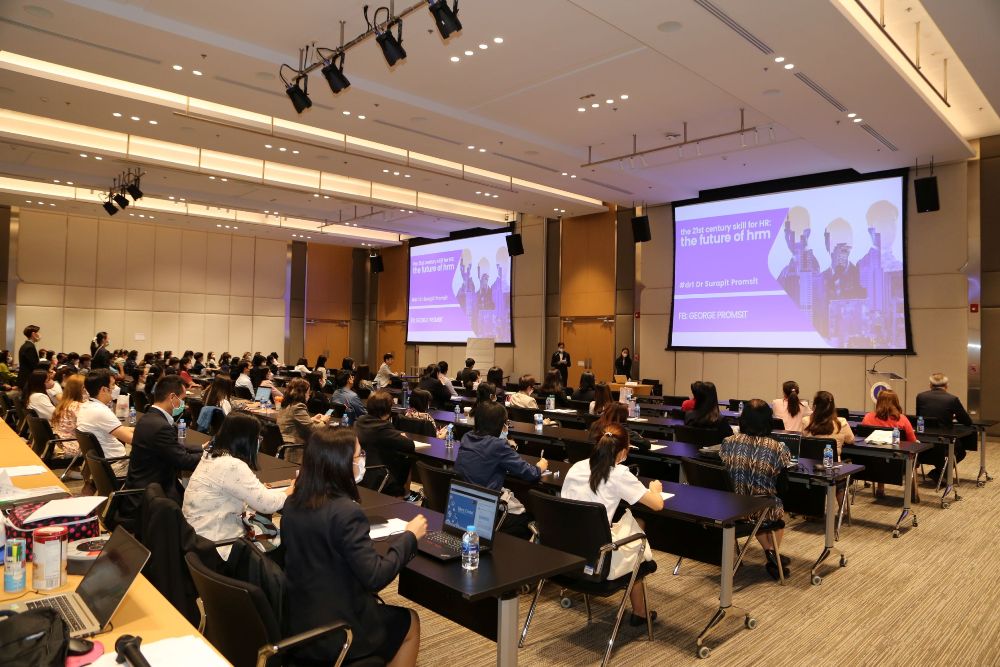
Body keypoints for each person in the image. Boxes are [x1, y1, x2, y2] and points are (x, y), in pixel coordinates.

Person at [282, 428, 424, 666]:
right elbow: (375, 577)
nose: (363, 460)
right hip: (337, 629)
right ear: (340, 464)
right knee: (410, 620)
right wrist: (410, 537)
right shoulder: (346, 511)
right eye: (359, 455)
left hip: (297, 619)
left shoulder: (293, 500)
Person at [561, 423, 662, 625]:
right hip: (600, 558)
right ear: (623, 452)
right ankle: (640, 613)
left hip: (567, 552)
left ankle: (640, 611)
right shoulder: (619, 474)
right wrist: (656, 490)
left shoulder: (577, 467)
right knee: (638, 535)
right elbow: (657, 505)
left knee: (632, 527)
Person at [183, 412, 292, 559]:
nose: (259, 443)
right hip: (218, 544)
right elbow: (267, 505)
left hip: (199, 536)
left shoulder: (211, 455)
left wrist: (257, 490)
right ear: (245, 440)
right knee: (281, 540)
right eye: (258, 438)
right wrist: (291, 490)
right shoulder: (232, 466)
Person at [719, 399, 791, 580]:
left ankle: (770, 553)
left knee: (760, 507)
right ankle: (772, 554)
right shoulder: (778, 447)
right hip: (761, 509)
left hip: (732, 507)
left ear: (743, 419)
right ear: (768, 421)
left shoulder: (728, 442)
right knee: (775, 505)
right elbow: (782, 486)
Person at [454, 401, 547, 539]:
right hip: (484, 513)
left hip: (462, 507)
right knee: (527, 521)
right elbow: (530, 473)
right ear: (499, 425)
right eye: (505, 423)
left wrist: (509, 448)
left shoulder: (467, 437)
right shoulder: (498, 445)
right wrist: (540, 467)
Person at [121, 375, 203, 520]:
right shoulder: (161, 426)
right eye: (182, 399)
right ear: (172, 397)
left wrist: (202, 447)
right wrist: (209, 455)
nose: (183, 404)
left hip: (143, 485)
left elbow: (173, 446)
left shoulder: (148, 418)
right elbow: (184, 461)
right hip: (152, 495)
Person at [354, 391, 417, 500]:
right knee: (406, 460)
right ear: (387, 411)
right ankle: (405, 495)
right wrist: (403, 437)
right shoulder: (383, 427)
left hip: (359, 471)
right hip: (379, 474)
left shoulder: (359, 422)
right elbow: (410, 445)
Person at [915, 373, 974, 483]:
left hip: (923, 442)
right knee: (961, 452)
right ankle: (938, 474)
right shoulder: (952, 399)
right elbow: (966, 421)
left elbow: (919, 417)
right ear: (946, 385)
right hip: (944, 441)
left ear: (930, 385)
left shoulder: (921, 397)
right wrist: (953, 417)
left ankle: (939, 473)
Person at [862, 389, 917, 499]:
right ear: (896, 402)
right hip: (898, 462)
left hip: (872, 461)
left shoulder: (868, 417)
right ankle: (913, 493)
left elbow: (863, 438)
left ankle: (880, 488)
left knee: (881, 453)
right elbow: (912, 441)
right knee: (913, 455)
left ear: (878, 401)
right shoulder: (902, 419)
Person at [77, 369, 133, 475]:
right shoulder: (101, 411)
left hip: (100, 464)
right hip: (115, 465)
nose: (115, 388)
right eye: (113, 385)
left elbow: (119, 429)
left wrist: (138, 429)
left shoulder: (86, 406)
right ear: (103, 389)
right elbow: (132, 439)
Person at [277, 378, 331, 458]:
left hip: (284, 446)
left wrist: (311, 419)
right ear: (302, 393)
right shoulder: (298, 406)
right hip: (295, 450)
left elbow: (291, 420)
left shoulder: (286, 404)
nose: (309, 395)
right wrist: (324, 421)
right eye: (308, 392)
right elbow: (314, 430)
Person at [802, 391, 855, 456]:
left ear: (814, 406)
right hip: (832, 462)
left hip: (809, 461)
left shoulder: (805, 420)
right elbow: (851, 440)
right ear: (833, 407)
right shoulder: (841, 422)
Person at [50, 374, 86, 456]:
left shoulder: (63, 404)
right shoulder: (79, 407)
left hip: (60, 444)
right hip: (73, 447)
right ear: (82, 389)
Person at [17, 324, 41, 388]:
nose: (40, 335)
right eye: (39, 332)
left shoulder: (27, 345)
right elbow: (34, 364)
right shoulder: (29, 347)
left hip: (25, 378)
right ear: (33, 334)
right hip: (28, 378)